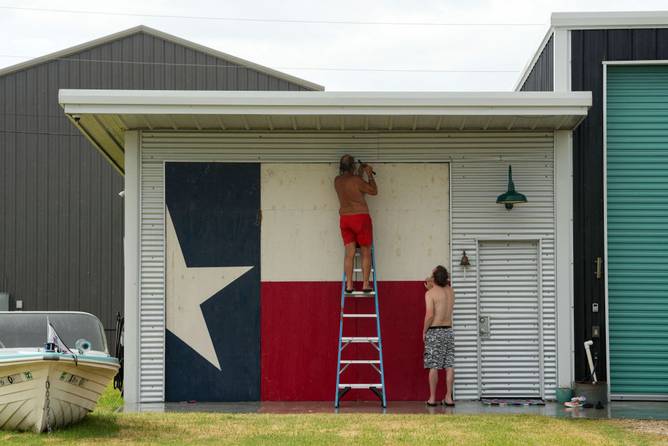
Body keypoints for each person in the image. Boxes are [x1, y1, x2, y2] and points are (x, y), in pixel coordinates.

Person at [334, 154, 377, 292]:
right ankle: (365, 284)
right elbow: (374, 191)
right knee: (365, 251)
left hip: (345, 218)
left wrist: (359, 172)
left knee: (349, 253)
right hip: (360, 217)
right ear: (353, 166)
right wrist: (369, 174)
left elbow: (352, 183)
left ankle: (349, 285)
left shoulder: (337, 181)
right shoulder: (357, 180)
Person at [423, 265, 455, 407]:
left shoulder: (430, 294)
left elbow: (430, 315)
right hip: (448, 331)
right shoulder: (451, 291)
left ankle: (432, 398)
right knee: (449, 365)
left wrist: (424, 331)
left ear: (434, 278)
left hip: (435, 331)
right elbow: (442, 289)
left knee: (433, 366)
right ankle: (448, 398)